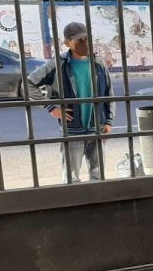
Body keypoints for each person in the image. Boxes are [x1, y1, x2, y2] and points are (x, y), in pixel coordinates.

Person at [27, 22, 115, 183]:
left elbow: (109, 94)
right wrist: (50, 107)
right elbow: (29, 84)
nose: (83, 43)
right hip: (72, 130)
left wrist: (108, 121)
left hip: (98, 128)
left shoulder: (99, 64)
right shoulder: (58, 65)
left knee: (98, 176)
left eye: (86, 38)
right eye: (78, 40)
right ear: (67, 43)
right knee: (71, 178)